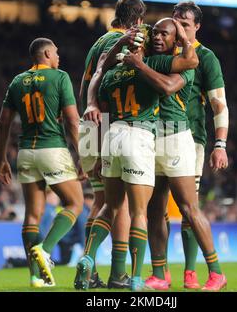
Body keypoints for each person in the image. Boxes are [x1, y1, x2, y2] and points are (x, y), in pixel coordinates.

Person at [74, 20, 198, 291]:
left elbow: (100, 79)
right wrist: (183, 35)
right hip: (138, 138)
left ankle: (88, 256)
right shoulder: (152, 65)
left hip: (110, 137)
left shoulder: (110, 75)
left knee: (110, 205)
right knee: (139, 212)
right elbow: (190, 62)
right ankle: (136, 278)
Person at [144, 11, 228, 291]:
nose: (157, 37)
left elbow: (216, 102)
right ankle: (159, 274)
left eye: (164, 33)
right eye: (155, 33)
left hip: (181, 138)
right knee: (155, 209)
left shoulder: (190, 61)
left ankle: (213, 272)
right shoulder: (159, 57)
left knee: (189, 208)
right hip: (152, 138)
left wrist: (220, 143)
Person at [0, 37, 86, 288]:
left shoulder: (16, 81)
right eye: (56, 53)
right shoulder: (60, 78)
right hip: (52, 149)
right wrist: (81, 156)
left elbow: (3, 123)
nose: (59, 57)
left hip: (25, 152)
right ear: (46, 53)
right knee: (75, 203)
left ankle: (36, 276)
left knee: (32, 216)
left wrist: (1, 158)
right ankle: (45, 250)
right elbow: (72, 121)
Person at [78, 0, 146, 289]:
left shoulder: (97, 42)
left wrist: (87, 123)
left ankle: (88, 268)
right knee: (120, 205)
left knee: (100, 201)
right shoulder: (127, 42)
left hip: (90, 123)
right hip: (111, 123)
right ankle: (119, 273)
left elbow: (87, 84)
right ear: (138, 20)